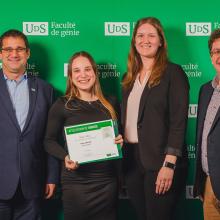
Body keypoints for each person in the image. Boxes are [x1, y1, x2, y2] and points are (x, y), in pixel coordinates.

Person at [121, 17, 189, 220]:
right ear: (134, 41)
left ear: (161, 41)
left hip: (161, 162)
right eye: (140, 36)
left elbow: (179, 122)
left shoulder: (173, 73)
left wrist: (169, 165)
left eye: (152, 35)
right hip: (132, 163)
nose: (145, 40)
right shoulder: (129, 78)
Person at [44, 51, 123, 220]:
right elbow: (48, 141)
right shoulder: (63, 105)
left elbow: (119, 138)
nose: (83, 75)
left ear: (95, 72)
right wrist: (65, 157)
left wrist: (120, 141)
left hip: (107, 182)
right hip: (76, 184)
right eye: (77, 71)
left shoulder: (111, 103)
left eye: (87, 69)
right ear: (71, 76)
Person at [0, 29, 59, 220]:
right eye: (8, 49)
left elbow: (50, 138)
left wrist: (51, 177)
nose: (14, 54)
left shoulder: (45, 90)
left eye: (19, 49)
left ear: (28, 53)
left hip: (32, 184)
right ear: (0, 54)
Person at [193, 28, 220, 220]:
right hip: (210, 182)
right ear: (211, 57)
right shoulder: (205, 91)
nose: (219, 56)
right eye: (216, 51)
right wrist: (201, 182)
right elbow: (202, 136)